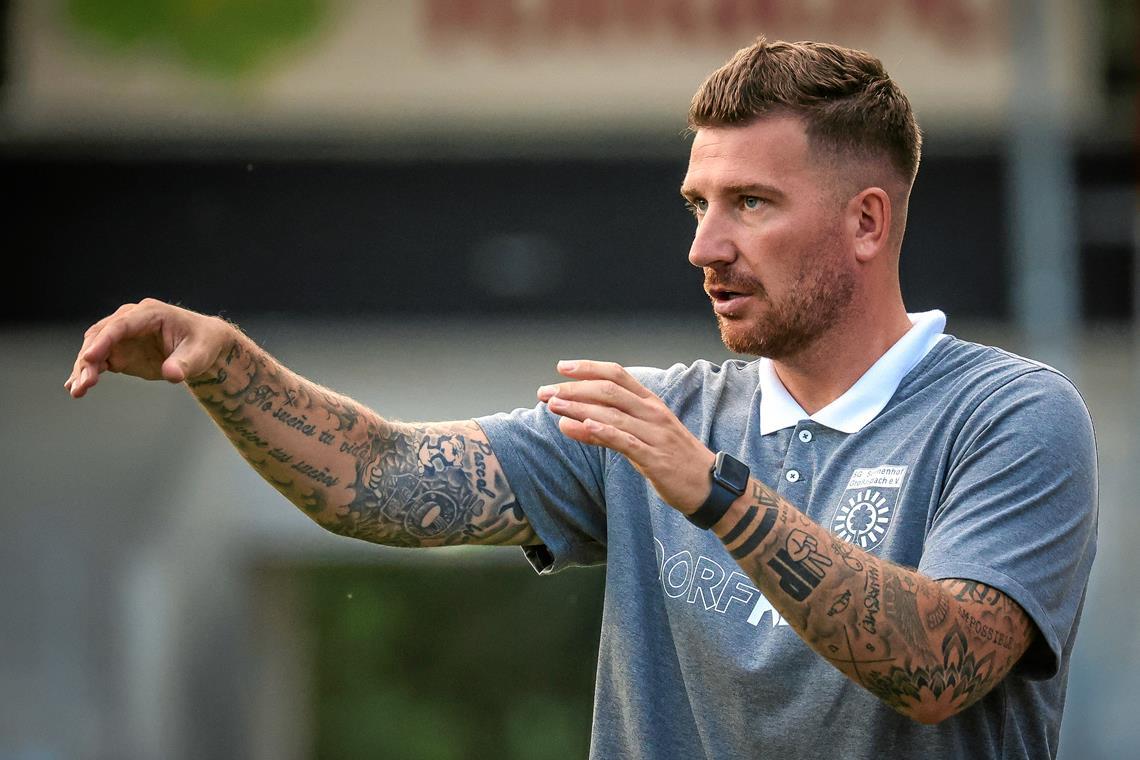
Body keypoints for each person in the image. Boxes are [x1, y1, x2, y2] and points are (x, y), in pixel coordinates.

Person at [65, 37, 1096, 760]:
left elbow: (940, 669)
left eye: (751, 203)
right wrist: (232, 368)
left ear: (867, 222)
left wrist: (719, 495)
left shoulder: (1008, 418)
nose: (705, 247)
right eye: (698, 204)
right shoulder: (654, 421)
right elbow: (382, 478)